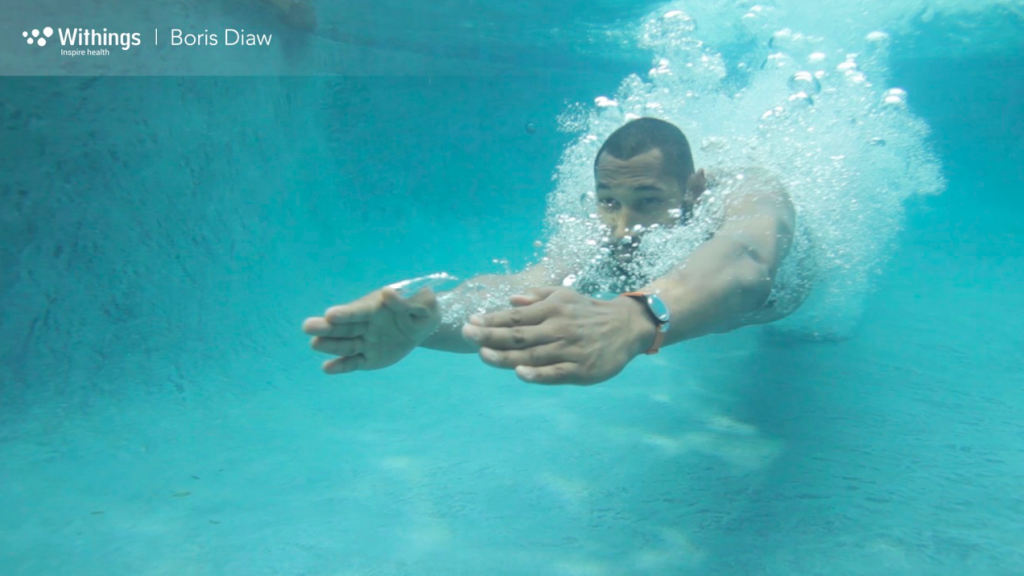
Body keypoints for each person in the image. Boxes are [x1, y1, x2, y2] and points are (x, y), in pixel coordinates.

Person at [302, 118, 814, 385]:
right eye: (608, 200)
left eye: (648, 201)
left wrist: (640, 317)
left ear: (693, 189)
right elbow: (530, 286)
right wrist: (427, 322)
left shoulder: (750, 192)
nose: (622, 226)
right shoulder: (602, 227)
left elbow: (747, 260)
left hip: (780, 303)